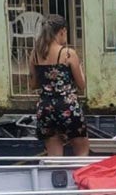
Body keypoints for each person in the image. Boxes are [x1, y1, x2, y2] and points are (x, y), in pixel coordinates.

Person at [29, 14, 89, 156]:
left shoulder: (35, 54)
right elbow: (82, 84)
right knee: (82, 149)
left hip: (45, 108)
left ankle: (55, 178)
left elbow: (33, 84)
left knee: (54, 157)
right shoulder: (68, 54)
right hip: (67, 106)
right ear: (62, 31)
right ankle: (77, 178)